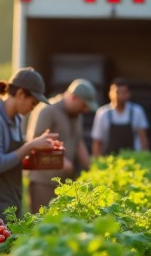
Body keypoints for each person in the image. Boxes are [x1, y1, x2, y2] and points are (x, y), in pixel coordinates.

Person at [0, 67, 59, 222]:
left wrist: (38, 148)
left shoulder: (17, 118)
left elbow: (15, 153)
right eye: (33, 103)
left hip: (14, 197)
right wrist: (29, 146)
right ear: (20, 94)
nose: (33, 108)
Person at [26, 78, 98, 214]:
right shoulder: (48, 110)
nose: (86, 110)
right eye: (84, 105)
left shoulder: (77, 116)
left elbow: (78, 142)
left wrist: (91, 167)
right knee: (40, 223)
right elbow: (35, 141)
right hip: (44, 182)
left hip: (65, 183)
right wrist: (61, 160)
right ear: (74, 97)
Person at [91, 77, 150, 157]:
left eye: (124, 92)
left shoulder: (137, 111)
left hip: (133, 159)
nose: (121, 96)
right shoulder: (102, 113)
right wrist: (97, 162)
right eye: (117, 92)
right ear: (110, 93)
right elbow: (97, 141)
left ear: (129, 94)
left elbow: (143, 138)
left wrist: (145, 157)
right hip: (110, 159)